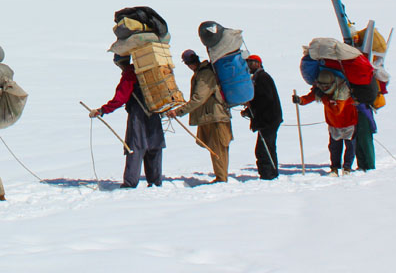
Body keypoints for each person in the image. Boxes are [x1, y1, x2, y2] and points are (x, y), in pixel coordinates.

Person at [87, 54, 164, 188]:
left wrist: (102, 110)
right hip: (155, 111)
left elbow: (120, 98)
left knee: (135, 146)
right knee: (154, 146)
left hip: (138, 114)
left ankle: (130, 183)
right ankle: (155, 181)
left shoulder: (130, 74)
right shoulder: (148, 70)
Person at [174, 49, 232, 183]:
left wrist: (179, 111)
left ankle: (221, 179)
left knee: (218, 148)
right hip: (212, 116)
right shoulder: (203, 72)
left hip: (215, 116)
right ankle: (221, 177)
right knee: (216, 148)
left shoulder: (205, 74)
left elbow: (199, 98)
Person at [293, 72, 357, 176]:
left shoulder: (343, 90)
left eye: (326, 85)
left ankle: (347, 168)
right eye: (322, 85)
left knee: (350, 147)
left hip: (349, 123)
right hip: (333, 124)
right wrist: (300, 100)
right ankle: (335, 168)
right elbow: (311, 96)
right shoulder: (321, 90)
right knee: (334, 148)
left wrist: (324, 97)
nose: (324, 88)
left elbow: (337, 109)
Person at [239, 55, 282, 180]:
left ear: (258, 64)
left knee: (264, 149)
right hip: (268, 118)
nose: (248, 66)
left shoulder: (262, 78)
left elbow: (265, 99)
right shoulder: (259, 78)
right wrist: (250, 110)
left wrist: (251, 107)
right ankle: (270, 173)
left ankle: (268, 174)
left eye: (251, 63)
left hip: (268, 119)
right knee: (266, 147)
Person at [354, 102, 376, 172]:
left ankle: (370, 165)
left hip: (363, 111)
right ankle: (361, 164)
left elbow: (369, 95)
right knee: (356, 140)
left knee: (365, 141)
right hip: (353, 112)